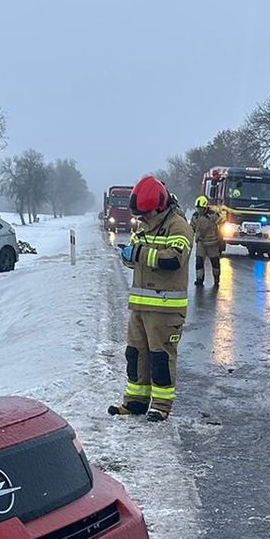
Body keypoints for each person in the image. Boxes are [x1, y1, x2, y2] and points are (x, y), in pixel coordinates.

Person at [110, 176, 192, 421]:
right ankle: (135, 401)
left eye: (144, 214)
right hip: (140, 306)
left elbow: (173, 259)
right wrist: (128, 254)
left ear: (158, 207)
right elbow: (132, 256)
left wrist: (139, 253)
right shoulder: (145, 227)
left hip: (166, 309)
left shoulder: (179, 227)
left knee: (161, 358)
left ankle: (161, 406)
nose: (141, 219)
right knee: (135, 355)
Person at [189, 195, 225, 290]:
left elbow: (222, 222)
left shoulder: (212, 214)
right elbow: (191, 228)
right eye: (198, 208)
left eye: (201, 209)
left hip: (212, 243)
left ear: (205, 207)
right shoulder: (195, 216)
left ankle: (216, 279)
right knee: (199, 261)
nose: (199, 210)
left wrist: (220, 234)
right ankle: (199, 279)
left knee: (215, 263)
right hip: (201, 243)